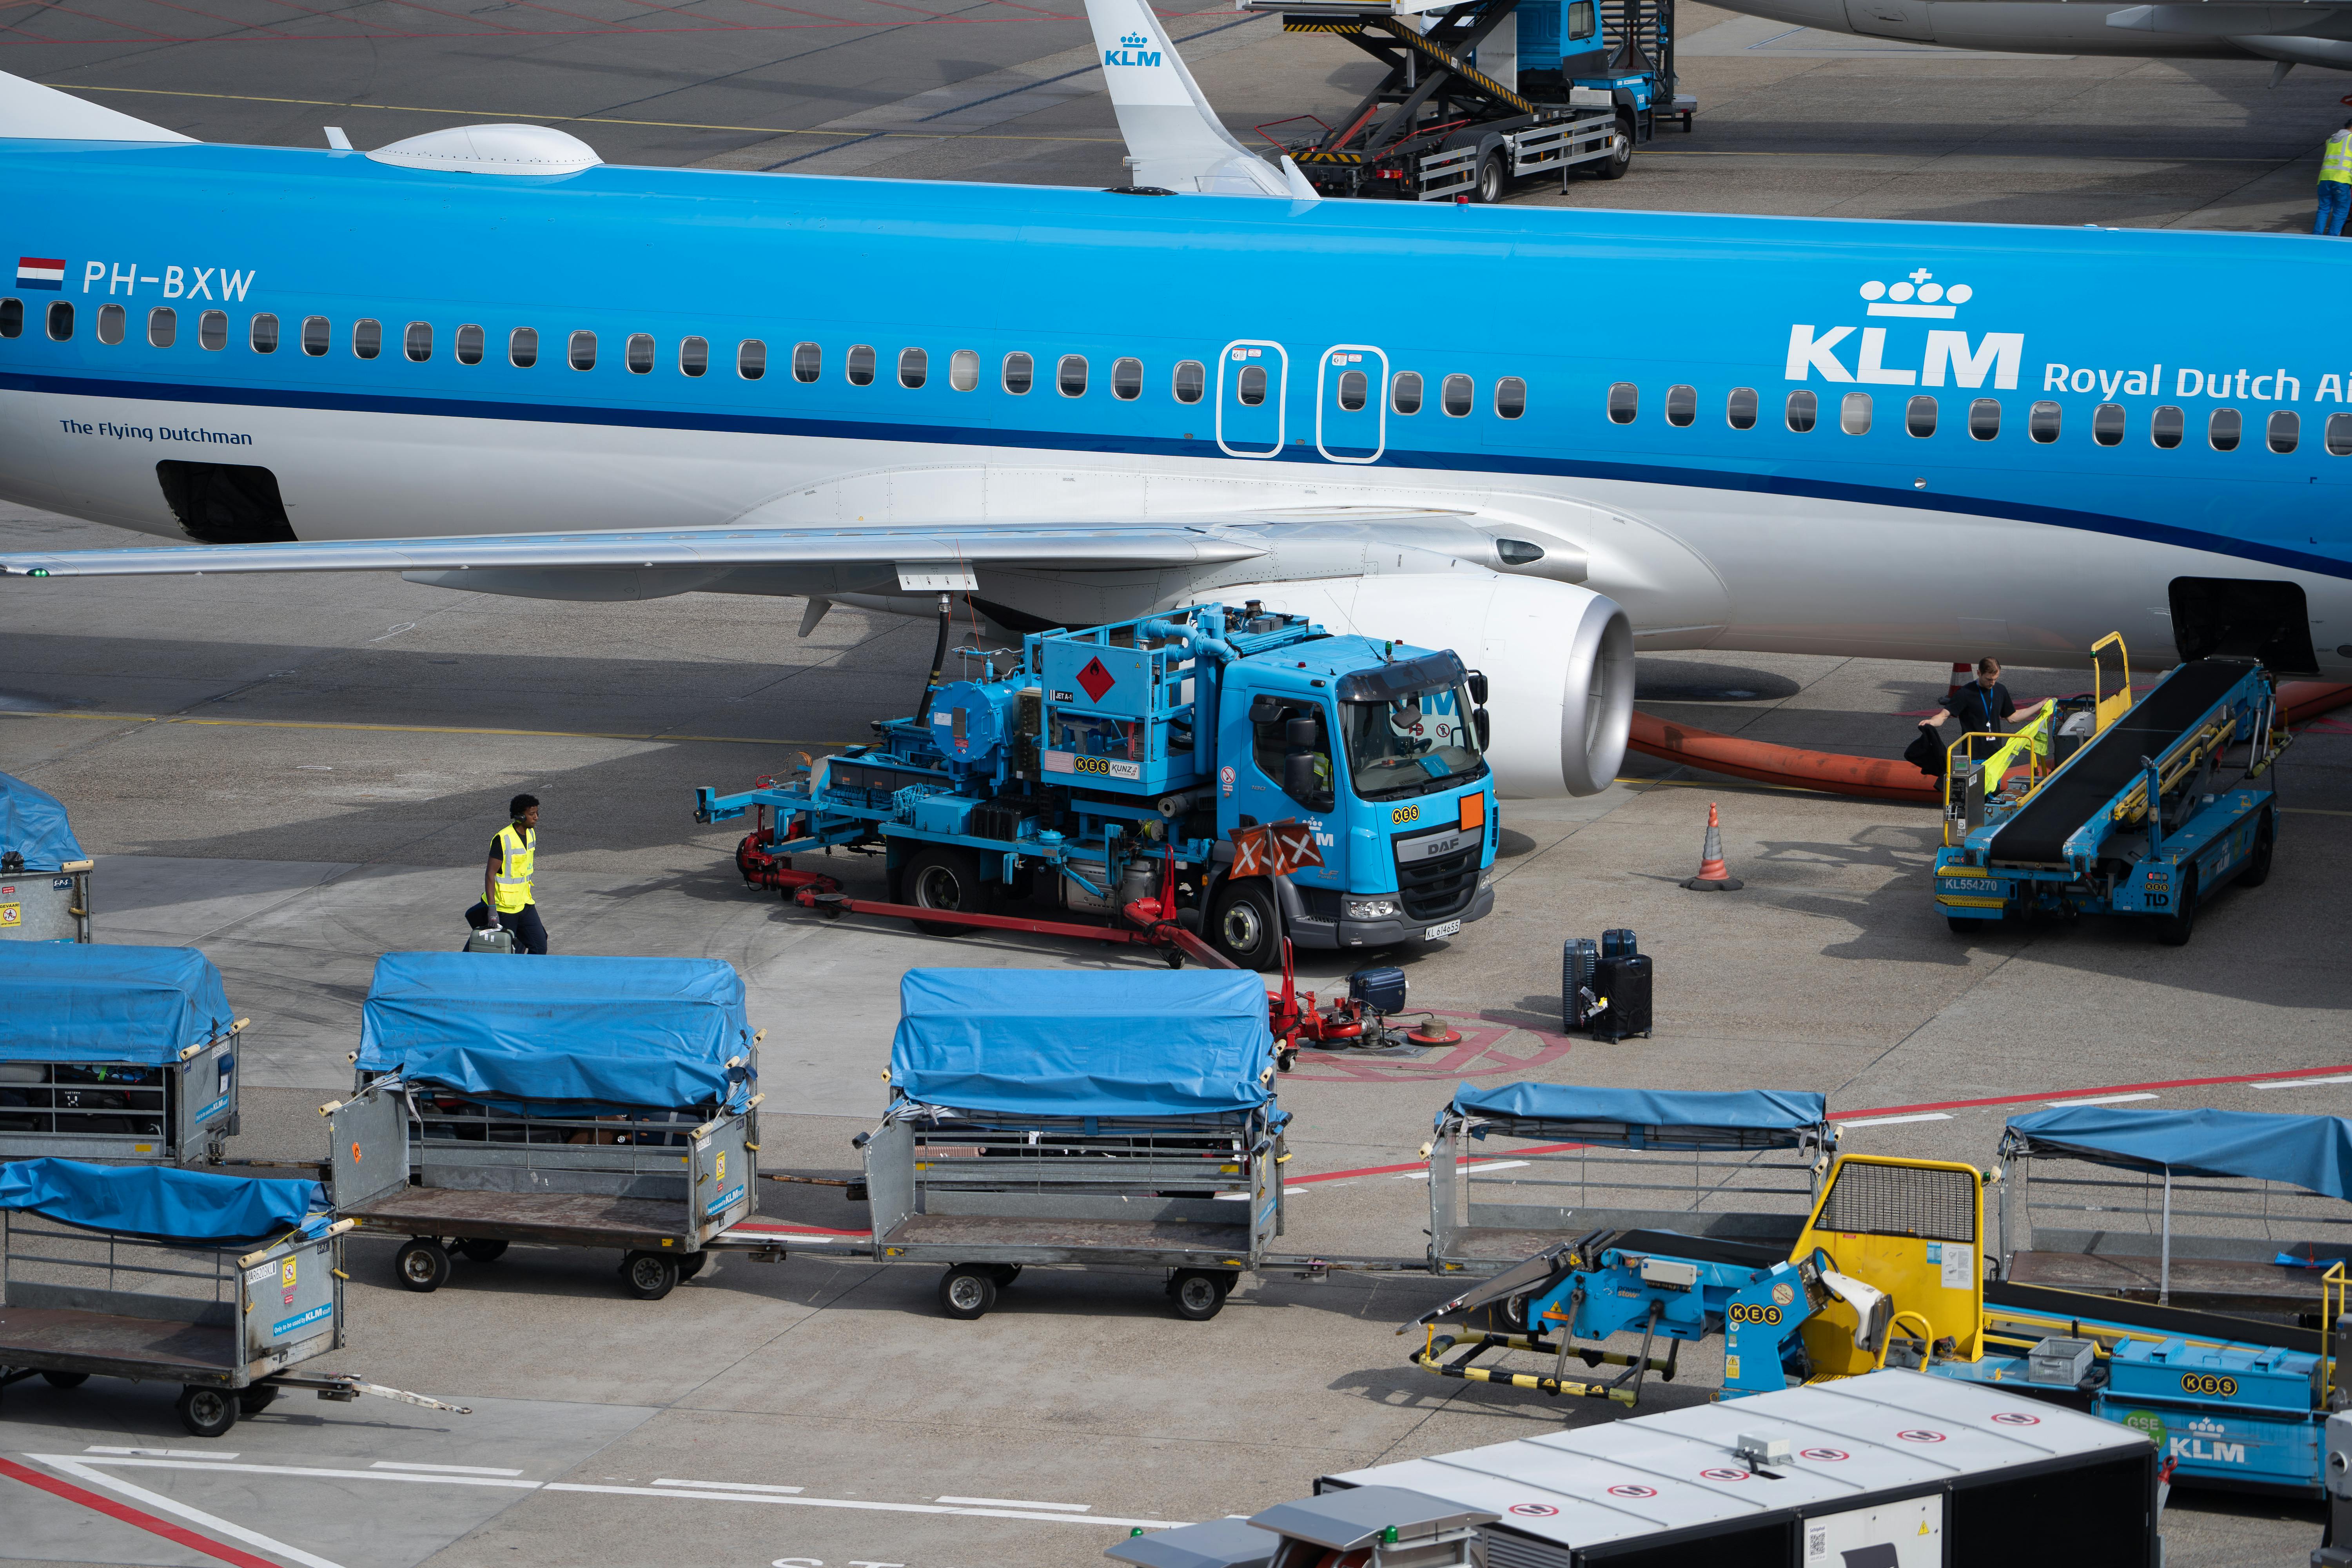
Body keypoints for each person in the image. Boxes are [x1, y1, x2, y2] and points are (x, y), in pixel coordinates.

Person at [483, 793, 547, 954]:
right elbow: (490, 874)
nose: (536, 818)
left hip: (524, 903)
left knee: (540, 945)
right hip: (504, 907)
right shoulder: (503, 839)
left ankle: (526, 977)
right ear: (519, 816)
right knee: (504, 951)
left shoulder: (531, 834)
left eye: (537, 813)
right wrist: (492, 910)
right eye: (532, 814)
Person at [2319, 120, 2352, 237]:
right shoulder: (2351, 139)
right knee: (2341, 211)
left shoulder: (2331, 140)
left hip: (2324, 179)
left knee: (2323, 209)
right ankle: (2332, 238)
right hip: (2341, 180)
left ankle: (2315, 237)